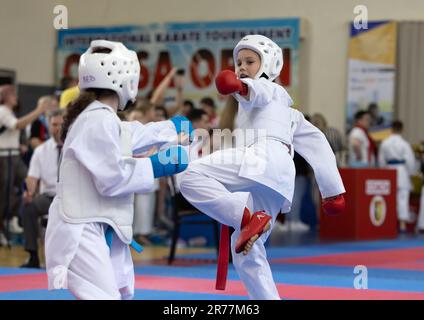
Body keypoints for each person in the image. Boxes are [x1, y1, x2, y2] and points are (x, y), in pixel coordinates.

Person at [178, 35, 345, 300]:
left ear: (269, 65)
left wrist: (242, 88)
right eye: (238, 63)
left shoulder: (270, 91)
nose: (242, 67)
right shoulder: (290, 114)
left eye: (250, 61)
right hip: (277, 179)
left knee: (187, 175)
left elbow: (258, 91)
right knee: (244, 250)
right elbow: (317, 143)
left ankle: (246, 219)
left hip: (261, 160)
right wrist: (332, 190)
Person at [44, 40, 192, 300]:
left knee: (122, 294)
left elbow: (129, 134)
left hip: (98, 223)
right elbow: (112, 178)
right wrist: (157, 165)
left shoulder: (100, 116)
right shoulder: (96, 119)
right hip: (80, 229)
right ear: (127, 78)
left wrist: (170, 128)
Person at [0, 85, 48, 246]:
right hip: (4, 158)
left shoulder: (9, 112)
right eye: (12, 94)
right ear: (4, 96)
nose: (16, 97)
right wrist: (39, 110)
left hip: (13, 155)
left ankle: (15, 215)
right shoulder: (2, 110)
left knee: (29, 182)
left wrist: (19, 145)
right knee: (5, 192)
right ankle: (7, 221)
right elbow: (17, 125)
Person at [20, 109, 64, 268]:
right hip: (49, 197)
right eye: (54, 125)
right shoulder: (40, 151)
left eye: (61, 124)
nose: (58, 128)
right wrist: (29, 192)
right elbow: (32, 178)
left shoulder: (75, 148)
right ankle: (32, 255)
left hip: (71, 197)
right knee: (29, 207)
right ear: (49, 126)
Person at [378, 121, 416, 231]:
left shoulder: (385, 142)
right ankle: (402, 224)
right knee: (403, 198)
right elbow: (410, 161)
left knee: (389, 198)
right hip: (402, 171)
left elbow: (381, 160)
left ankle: (389, 223)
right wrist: (410, 173)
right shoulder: (404, 144)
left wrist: (383, 171)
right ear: (402, 129)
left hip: (389, 171)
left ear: (391, 129)